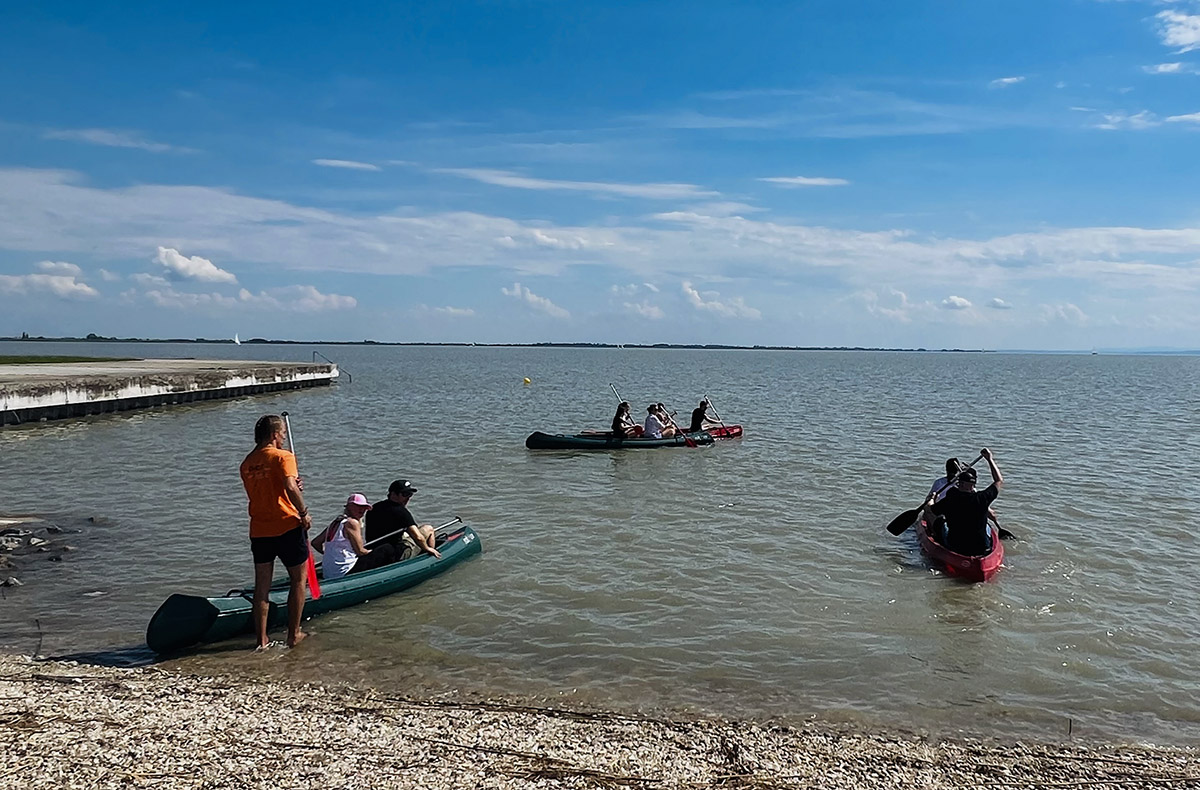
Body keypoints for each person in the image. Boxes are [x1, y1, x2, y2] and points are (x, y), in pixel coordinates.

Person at [239, 414, 312, 649]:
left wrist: (289, 483)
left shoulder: (247, 463)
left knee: (262, 586)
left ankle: (261, 640)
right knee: (298, 580)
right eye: (281, 435)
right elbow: (289, 486)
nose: (283, 438)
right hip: (287, 524)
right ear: (274, 435)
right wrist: (303, 512)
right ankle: (294, 634)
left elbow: (269, 487)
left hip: (260, 528)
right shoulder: (284, 456)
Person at [923, 448, 1003, 556]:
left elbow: (930, 509)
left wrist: (932, 499)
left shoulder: (951, 498)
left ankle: (938, 543)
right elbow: (998, 480)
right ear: (973, 485)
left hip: (955, 546)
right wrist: (989, 459)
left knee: (940, 522)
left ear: (960, 483)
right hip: (982, 548)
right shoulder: (983, 497)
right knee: (987, 526)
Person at [368, 479, 441, 562]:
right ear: (393, 494)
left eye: (410, 494)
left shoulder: (374, 508)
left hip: (376, 551)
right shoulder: (401, 512)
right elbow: (418, 537)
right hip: (397, 555)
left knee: (405, 535)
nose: (408, 498)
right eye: (405, 494)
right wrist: (427, 548)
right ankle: (431, 558)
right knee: (429, 529)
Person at [311, 493, 374, 579]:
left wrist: (330, 554)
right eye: (358, 506)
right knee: (387, 549)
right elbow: (360, 551)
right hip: (345, 570)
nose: (362, 510)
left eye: (364, 508)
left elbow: (315, 543)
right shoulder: (352, 523)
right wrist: (373, 551)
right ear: (349, 506)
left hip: (329, 572)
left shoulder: (336, 522)